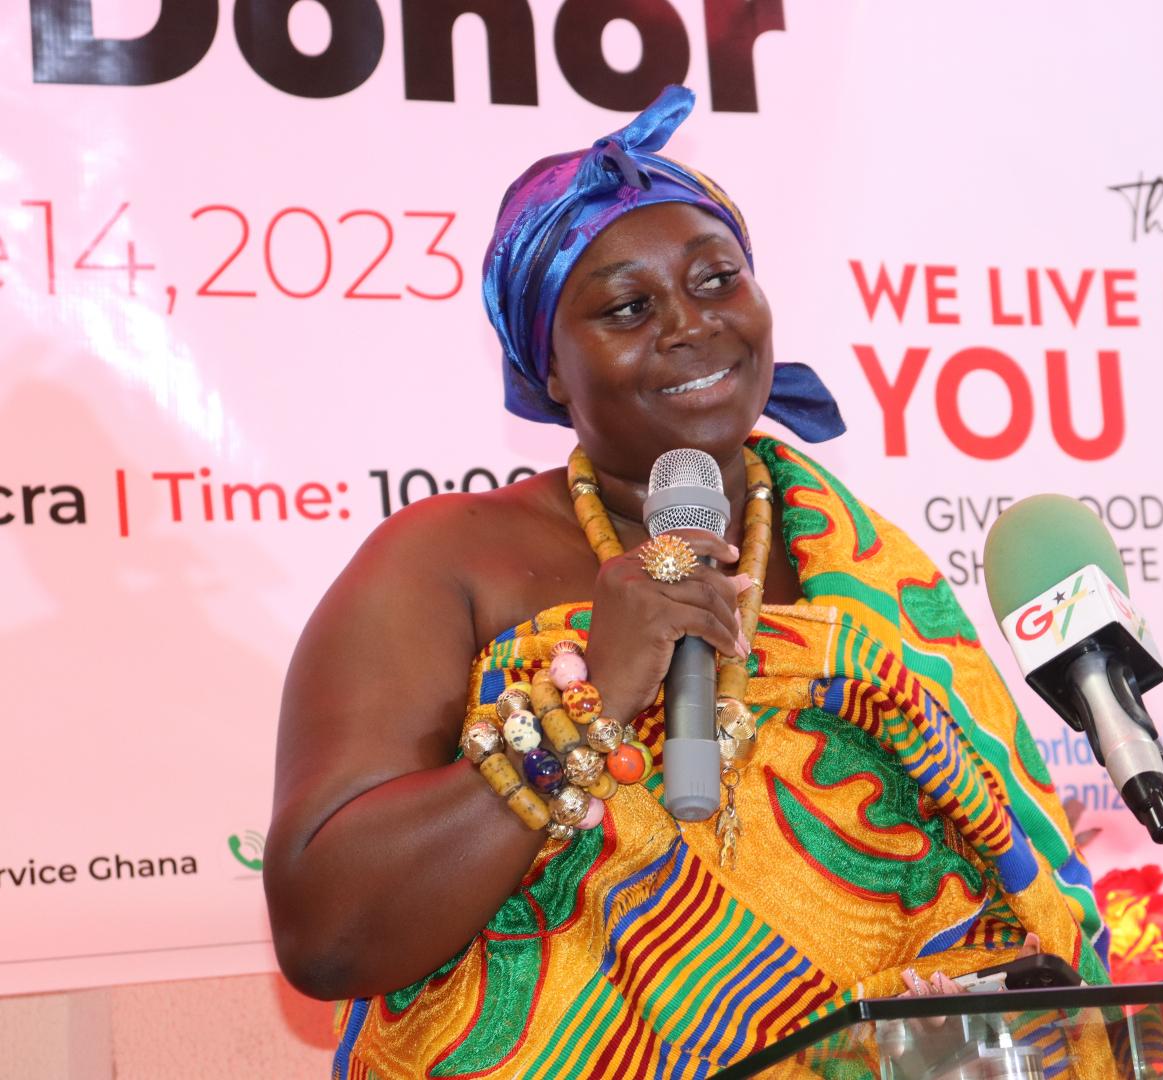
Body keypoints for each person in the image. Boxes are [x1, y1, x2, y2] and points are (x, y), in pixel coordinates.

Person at [265, 86, 1112, 1080]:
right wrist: (587, 702)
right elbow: (329, 932)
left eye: (719, 281)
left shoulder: (871, 568)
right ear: (545, 371)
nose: (689, 325)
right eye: (628, 307)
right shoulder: (445, 562)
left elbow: (1014, 882)